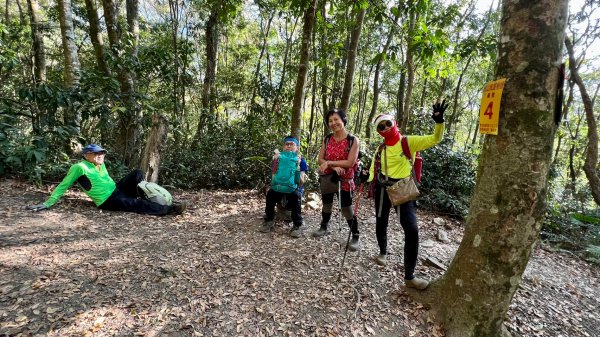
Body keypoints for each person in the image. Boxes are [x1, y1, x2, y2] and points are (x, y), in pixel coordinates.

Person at [366, 100, 448, 290]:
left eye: (387, 123)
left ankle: (409, 276)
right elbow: (374, 166)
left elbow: (435, 139)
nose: (385, 128)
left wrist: (439, 122)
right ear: (378, 130)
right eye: (381, 126)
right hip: (381, 187)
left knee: (411, 229)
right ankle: (383, 252)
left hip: (402, 187)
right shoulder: (380, 148)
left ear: (394, 122)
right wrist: (368, 177)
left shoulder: (407, 142)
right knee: (381, 221)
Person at [26, 144, 186, 216]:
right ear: (86, 155)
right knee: (137, 205)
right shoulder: (79, 167)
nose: (100, 155)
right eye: (96, 153)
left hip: (116, 190)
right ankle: (170, 209)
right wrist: (48, 203)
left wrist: (122, 188)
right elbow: (64, 185)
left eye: (101, 152)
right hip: (107, 200)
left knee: (137, 174)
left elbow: (107, 180)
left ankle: (154, 198)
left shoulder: (100, 164)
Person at [312, 108, 361, 252]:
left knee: (346, 208)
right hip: (327, 177)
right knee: (326, 204)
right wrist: (332, 167)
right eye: (330, 121)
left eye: (336, 119)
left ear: (343, 120)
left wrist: (330, 163)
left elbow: (350, 162)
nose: (333, 123)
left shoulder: (353, 140)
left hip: (344, 180)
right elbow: (320, 159)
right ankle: (324, 227)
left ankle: (355, 235)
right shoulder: (327, 139)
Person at [259, 136, 308, 238]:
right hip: (279, 186)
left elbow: (301, 182)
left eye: (292, 144)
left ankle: (298, 224)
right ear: (283, 146)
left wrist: (297, 168)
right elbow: (273, 176)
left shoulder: (301, 160)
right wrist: (274, 185)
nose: (289, 146)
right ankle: (269, 219)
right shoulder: (278, 159)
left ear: (297, 147)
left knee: (296, 195)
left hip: (293, 187)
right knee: (271, 194)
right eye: (287, 144)